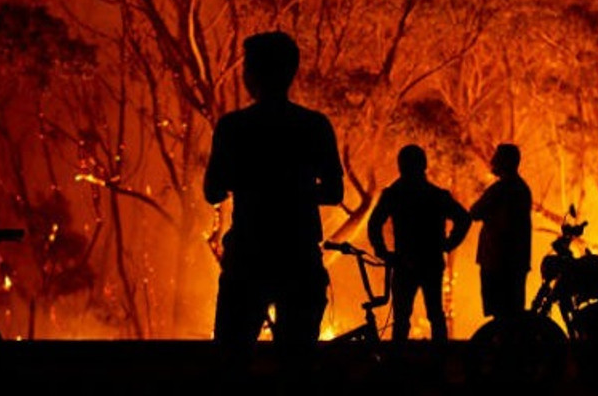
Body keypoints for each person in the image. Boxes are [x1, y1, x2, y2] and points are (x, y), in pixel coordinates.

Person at [204, 31, 344, 381]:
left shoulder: (234, 127)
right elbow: (334, 192)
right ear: (291, 72)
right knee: (297, 365)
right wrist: (296, 190)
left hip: (249, 255)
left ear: (251, 74)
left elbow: (212, 192)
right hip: (298, 256)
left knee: (232, 361)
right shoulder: (313, 126)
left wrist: (251, 181)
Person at [367, 144, 471, 342]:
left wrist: (383, 252)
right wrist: (448, 243)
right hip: (430, 261)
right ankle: (440, 361)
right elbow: (463, 218)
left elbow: (374, 224)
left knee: (402, 318)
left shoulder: (394, 194)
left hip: (404, 262)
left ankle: (398, 362)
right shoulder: (435, 195)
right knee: (435, 314)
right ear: (423, 165)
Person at [469, 143, 533, 320]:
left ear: (504, 162)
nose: (492, 161)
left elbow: (474, 212)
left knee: (500, 315)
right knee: (513, 313)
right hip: (517, 262)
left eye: (496, 157)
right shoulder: (522, 188)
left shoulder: (500, 189)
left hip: (496, 261)